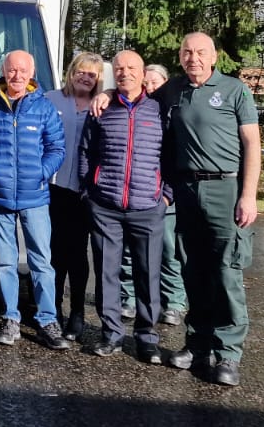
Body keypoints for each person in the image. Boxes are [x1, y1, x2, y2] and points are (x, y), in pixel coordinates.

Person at [160, 32, 261, 386]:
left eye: (201, 52)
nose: (194, 58)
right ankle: (197, 344)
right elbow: (138, 97)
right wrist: (109, 93)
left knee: (226, 272)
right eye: (187, 52)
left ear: (214, 56)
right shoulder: (172, 90)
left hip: (226, 188)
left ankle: (229, 354)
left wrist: (248, 195)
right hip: (187, 190)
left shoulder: (234, 90)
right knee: (193, 270)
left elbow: (252, 145)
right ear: (180, 55)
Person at [77, 50, 168, 364]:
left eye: (131, 68)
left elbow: (170, 155)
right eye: (119, 68)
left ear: (143, 73)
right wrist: (90, 193)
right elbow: (86, 151)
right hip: (106, 206)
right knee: (107, 274)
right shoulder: (102, 108)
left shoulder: (160, 109)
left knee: (147, 275)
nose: (125, 72)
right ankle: (111, 334)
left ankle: (147, 339)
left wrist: (165, 196)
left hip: (148, 206)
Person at [0, 50, 67, 349]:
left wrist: (41, 173)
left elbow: (57, 147)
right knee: (5, 262)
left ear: (31, 73)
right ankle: (10, 318)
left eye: (22, 70)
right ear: (3, 72)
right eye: (11, 70)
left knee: (42, 262)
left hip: (36, 197)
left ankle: (47, 320)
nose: (16, 76)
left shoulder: (44, 107)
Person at [120, 62, 188, 327]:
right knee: (129, 250)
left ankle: (173, 302)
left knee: (169, 251)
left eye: (155, 84)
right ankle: (129, 298)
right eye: (145, 83)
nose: (149, 88)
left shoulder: (171, 113)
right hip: (137, 195)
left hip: (163, 195)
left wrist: (168, 194)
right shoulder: (135, 108)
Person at [45, 52, 105, 342]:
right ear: (71, 72)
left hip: (84, 191)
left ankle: (77, 312)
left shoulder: (102, 105)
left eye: (91, 74)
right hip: (53, 188)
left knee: (78, 255)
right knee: (54, 252)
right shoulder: (51, 99)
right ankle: (52, 309)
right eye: (81, 71)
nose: (85, 77)